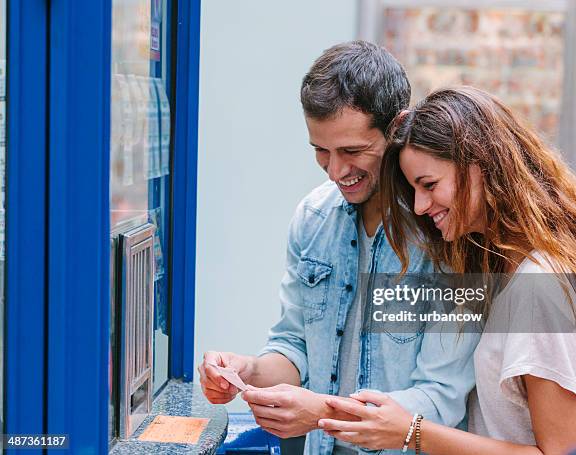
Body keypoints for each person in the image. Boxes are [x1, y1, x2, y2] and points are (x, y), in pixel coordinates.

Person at [199, 42, 480, 455]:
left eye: (352, 151)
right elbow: (295, 345)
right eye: (321, 152)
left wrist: (321, 413)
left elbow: (439, 400)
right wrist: (250, 370)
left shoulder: (449, 234)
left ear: (397, 128)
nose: (336, 171)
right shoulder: (313, 218)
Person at [318, 86, 576, 454]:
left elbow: (561, 453)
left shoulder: (538, 287)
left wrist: (412, 431)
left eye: (429, 185)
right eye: (413, 191)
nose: (421, 206)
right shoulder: (513, 266)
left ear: (482, 166)